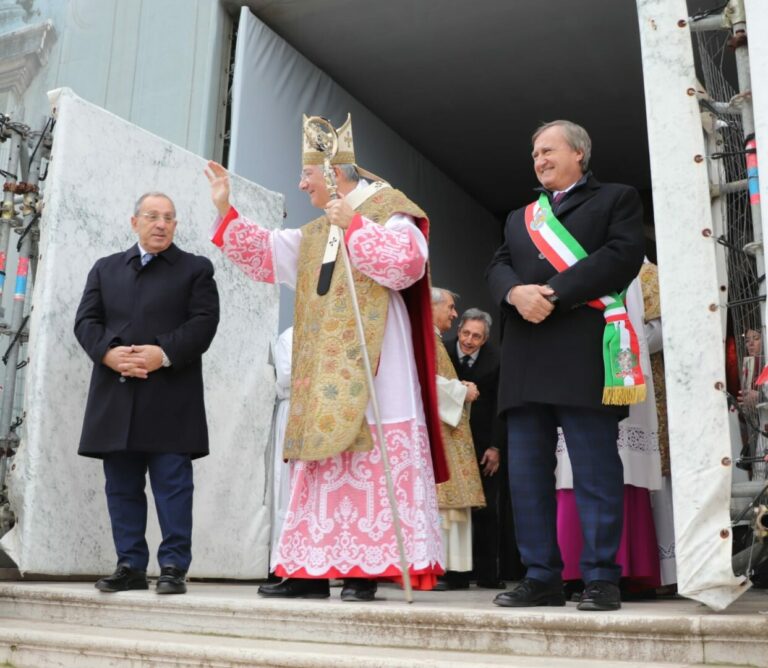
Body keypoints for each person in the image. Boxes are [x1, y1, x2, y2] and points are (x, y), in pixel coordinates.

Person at [205, 113, 447, 602]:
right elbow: (269, 254)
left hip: (380, 366)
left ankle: (363, 572)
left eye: (308, 175)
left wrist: (354, 226)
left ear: (335, 174)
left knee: (372, 460)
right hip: (324, 372)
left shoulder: (390, 208)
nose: (301, 184)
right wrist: (226, 210)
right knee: (319, 465)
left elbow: (406, 265)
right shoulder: (317, 232)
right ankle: (308, 572)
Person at [486, 119, 645, 611]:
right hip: (525, 356)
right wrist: (515, 293)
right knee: (527, 476)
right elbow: (498, 265)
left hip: (581, 350)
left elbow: (622, 256)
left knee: (595, 471)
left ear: (579, 153)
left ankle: (601, 578)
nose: (539, 160)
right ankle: (541, 576)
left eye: (548, 150)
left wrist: (552, 293)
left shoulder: (616, 198)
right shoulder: (520, 216)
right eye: (535, 153)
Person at [74, 192, 220, 595]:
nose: (161, 224)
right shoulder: (106, 268)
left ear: (175, 225)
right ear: (134, 221)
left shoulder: (195, 269)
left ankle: (173, 566)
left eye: (169, 218)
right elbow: (86, 321)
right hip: (116, 394)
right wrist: (108, 353)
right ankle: (130, 565)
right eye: (153, 216)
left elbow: (204, 323)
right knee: (121, 486)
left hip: (171, 396)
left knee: (173, 485)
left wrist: (163, 353)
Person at [555, 273, 662, 598]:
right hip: (575, 368)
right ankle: (575, 571)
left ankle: (625, 571)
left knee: (624, 469)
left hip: (622, 372)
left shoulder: (642, 273)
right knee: (574, 470)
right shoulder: (563, 261)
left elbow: (652, 330)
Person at [445, 307, 520, 589]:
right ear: (459, 330)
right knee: (452, 509)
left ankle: (488, 574)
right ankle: (453, 574)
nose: (468, 340)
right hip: (449, 443)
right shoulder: (444, 353)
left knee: (486, 509)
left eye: (476, 336)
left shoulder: (497, 360)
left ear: (485, 339)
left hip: (482, 444)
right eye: (465, 333)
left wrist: (496, 447)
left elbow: (501, 405)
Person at [431, 289, 485, 591]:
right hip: (440, 436)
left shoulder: (435, 340)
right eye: (450, 308)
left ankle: (456, 569)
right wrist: (462, 390)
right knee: (444, 505)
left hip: (448, 433)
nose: (454, 314)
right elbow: (425, 382)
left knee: (453, 505)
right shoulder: (426, 338)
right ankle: (446, 568)